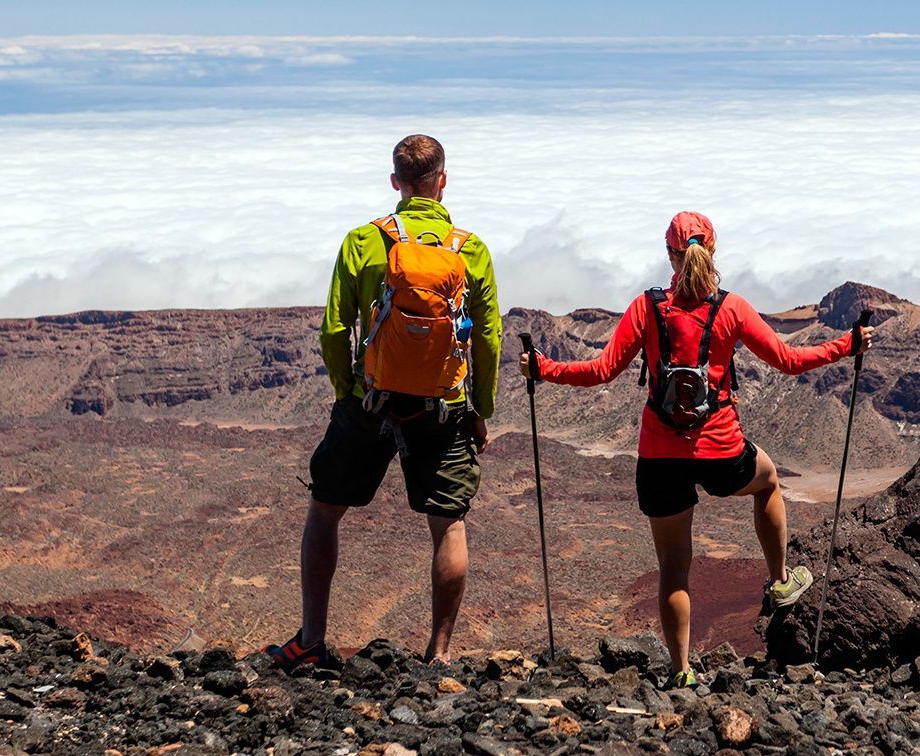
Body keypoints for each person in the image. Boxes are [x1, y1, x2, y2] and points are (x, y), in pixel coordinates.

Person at [519, 211, 871, 688]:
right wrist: (846, 345)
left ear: (669, 254)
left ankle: (681, 672)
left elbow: (602, 370)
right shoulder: (731, 308)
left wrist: (543, 368)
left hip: (660, 456)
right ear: (713, 251)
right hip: (721, 450)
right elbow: (788, 361)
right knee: (767, 481)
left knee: (673, 569)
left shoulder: (647, 307)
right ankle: (781, 581)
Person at [266, 134, 502, 667]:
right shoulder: (472, 249)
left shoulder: (362, 241)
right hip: (442, 410)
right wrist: (479, 409)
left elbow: (333, 330)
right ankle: (438, 656)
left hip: (368, 403)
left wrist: (347, 390)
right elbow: (488, 338)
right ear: (443, 180)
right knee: (449, 521)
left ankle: (310, 641)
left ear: (395, 182)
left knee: (325, 511)